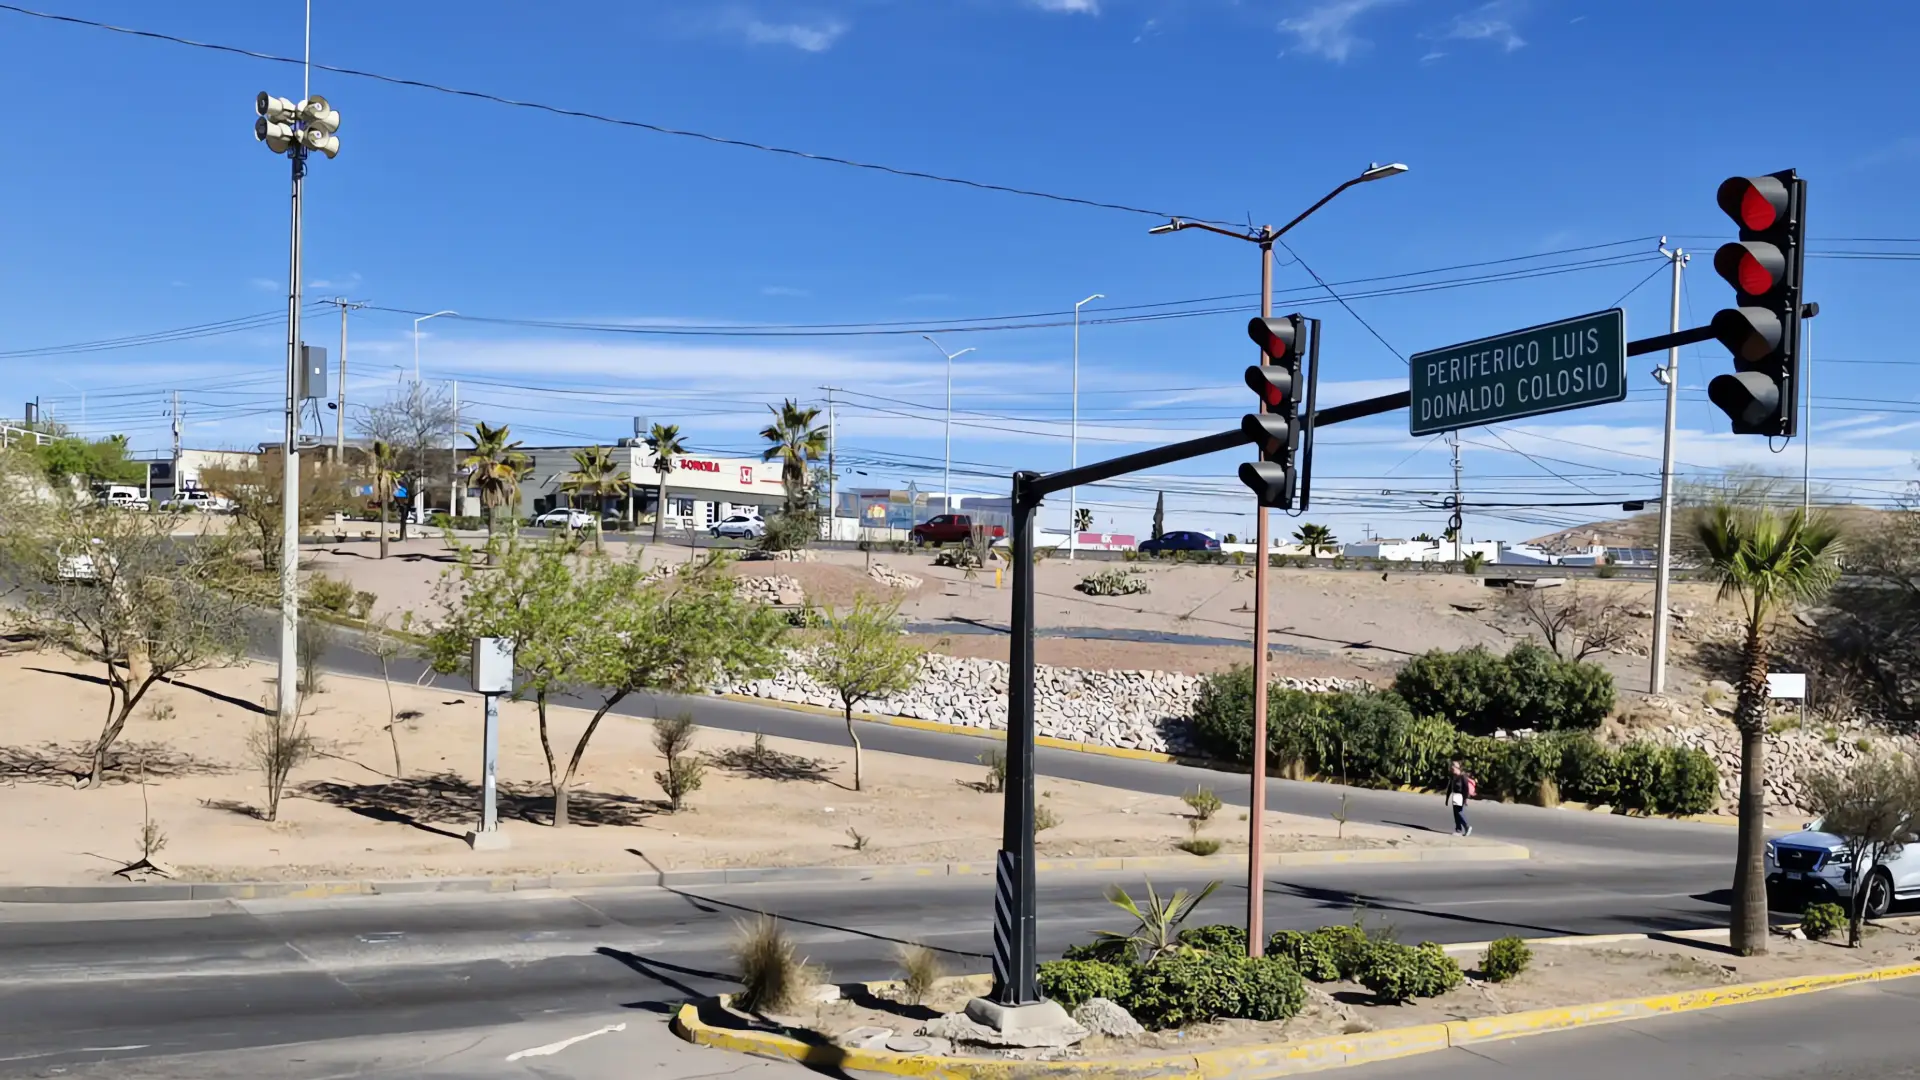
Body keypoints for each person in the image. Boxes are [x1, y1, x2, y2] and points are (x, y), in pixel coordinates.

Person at [1445, 760, 1473, 836]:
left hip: (1461, 796)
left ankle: (1467, 826)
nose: (1451, 770)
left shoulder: (1463, 776)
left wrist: (1465, 799)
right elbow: (1450, 787)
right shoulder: (1453, 776)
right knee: (1456, 813)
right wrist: (1447, 798)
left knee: (1459, 812)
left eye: (1452, 768)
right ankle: (1458, 830)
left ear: (1457, 768)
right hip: (1455, 796)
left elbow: (1466, 789)